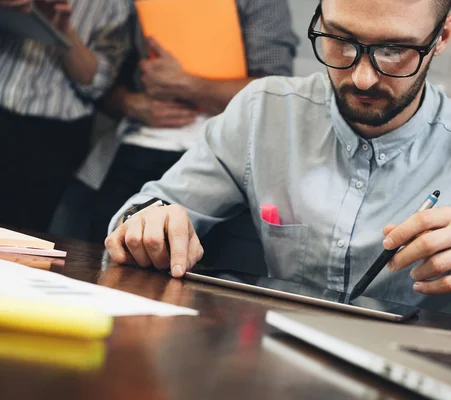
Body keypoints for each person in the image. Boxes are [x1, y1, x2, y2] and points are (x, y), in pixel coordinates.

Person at [104, 0, 451, 313]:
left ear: (441, 37)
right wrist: (151, 224)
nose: (360, 78)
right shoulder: (263, 111)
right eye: (340, 39)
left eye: (394, 50)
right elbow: (146, 211)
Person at [52, 0, 298, 243]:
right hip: (135, 147)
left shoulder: (263, 4)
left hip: (221, 156)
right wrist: (130, 103)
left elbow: (273, 95)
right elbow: (101, 83)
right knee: (101, 244)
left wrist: (185, 84)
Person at [0, 0, 130, 232]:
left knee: (23, 238)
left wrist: (63, 30)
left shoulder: (117, 4)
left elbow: (99, 84)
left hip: (52, 136)